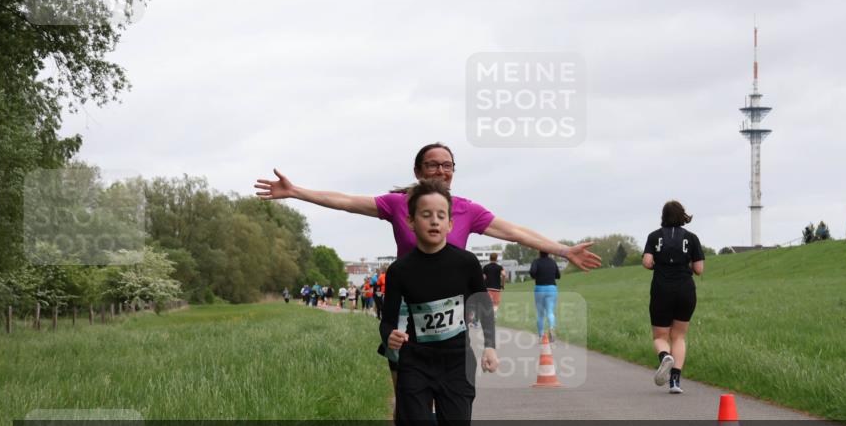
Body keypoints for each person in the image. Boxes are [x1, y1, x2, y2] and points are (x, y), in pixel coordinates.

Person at [256, 143, 601, 384]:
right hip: (406, 308)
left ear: (454, 172)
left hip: (450, 315)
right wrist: (297, 191)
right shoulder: (397, 204)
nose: (441, 170)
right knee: (405, 385)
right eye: (433, 164)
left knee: (444, 386)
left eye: (447, 165)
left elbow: (514, 232)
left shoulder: (467, 210)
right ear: (418, 171)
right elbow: (346, 201)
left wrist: (563, 250)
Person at [381, 178, 498, 426]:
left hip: (455, 361)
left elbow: (480, 308)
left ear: (450, 224)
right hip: (416, 361)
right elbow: (388, 319)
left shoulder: (465, 262)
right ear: (411, 222)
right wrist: (391, 337)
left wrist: (491, 347)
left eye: (441, 215)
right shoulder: (400, 270)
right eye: (425, 214)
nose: (434, 221)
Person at [641, 200, 704, 394]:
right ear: (682, 215)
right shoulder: (692, 238)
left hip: (661, 289)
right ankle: (675, 382)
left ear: (663, 216)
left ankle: (664, 357)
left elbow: (647, 262)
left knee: (660, 336)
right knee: (679, 336)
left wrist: (657, 265)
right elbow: (699, 269)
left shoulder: (654, 236)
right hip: (685, 290)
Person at [529, 251, 561, 342]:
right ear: (549, 253)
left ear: (539, 253)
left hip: (539, 288)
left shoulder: (536, 261)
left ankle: (541, 336)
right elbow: (558, 275)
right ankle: (551, 328)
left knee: (540, 314)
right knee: (550, 311)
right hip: (552, 288)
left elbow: (532, 272)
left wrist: (536, 276)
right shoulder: (553, 262)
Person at [483, 252, 507, 317]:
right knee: (495, 304)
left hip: (487, 288)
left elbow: (483, 277)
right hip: (496, 288)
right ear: (496, 258)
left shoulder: (486, 267)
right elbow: (504, 275)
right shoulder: (499, 267)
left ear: (490, 258)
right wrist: (503, 284)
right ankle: (493, 314)